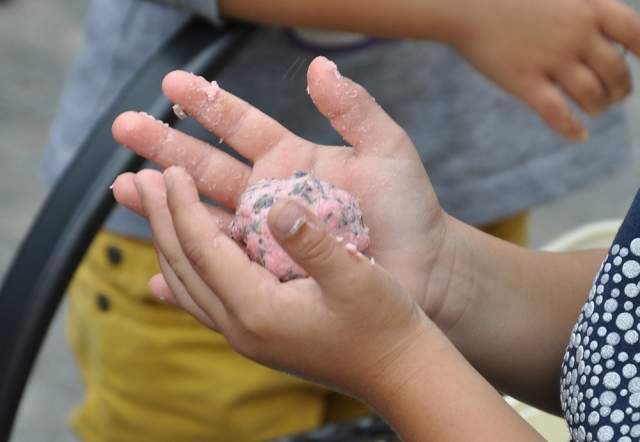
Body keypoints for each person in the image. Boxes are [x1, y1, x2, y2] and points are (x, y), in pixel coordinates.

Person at [44, 0, 640, 440]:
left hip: (471, 187)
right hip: (433, 274)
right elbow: (618, 331)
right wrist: (446, 280)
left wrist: (398, 359)